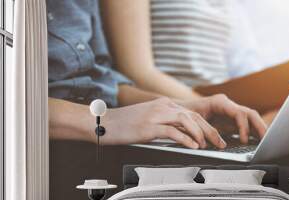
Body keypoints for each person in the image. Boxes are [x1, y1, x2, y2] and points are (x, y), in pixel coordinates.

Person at [102, 0, 289, 124]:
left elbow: (245, 69)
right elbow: (137, 71)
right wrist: (218, 112)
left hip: (223, 101)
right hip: (188, 104)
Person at [47, 0, 267, 150]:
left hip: (104, 133)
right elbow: (13, 101)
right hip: (64, 145)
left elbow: (103, 82)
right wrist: (110, 121)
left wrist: (185, 107)